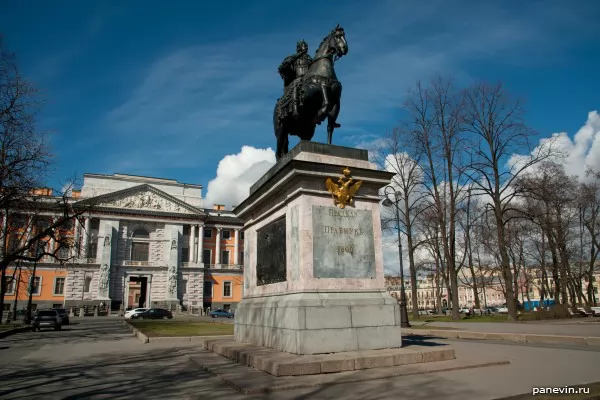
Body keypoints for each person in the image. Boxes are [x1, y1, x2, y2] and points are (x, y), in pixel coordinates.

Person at [278, 40, 312, 116]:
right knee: (296, 85)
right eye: (304, 46)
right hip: (297, 78)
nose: (305, 48)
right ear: (299, 48)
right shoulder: (293, 58)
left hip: (308, 79)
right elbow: (283, 68)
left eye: (306, 46)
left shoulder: (309, 58)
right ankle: (295, 108)